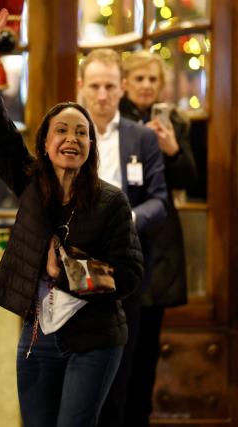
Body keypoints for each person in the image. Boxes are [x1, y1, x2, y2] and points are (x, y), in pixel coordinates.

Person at [0, 9, 144, 426]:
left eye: (81, 132)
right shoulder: (31, 186)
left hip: (95, 340)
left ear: (90, 147)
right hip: (37, 340)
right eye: (62, 130)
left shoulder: (110, 201)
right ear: (45, 142)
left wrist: (67, 270)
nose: (72, 138)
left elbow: (131, 274)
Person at [75, 48, 169, 427]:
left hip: (125, 268)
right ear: (81, 87)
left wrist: (126, 217)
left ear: (122, 87)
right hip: (74, 266)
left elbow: (160, 201)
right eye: (95, 86)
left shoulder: (141, 138)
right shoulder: (67, 129)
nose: (102, 95)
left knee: (121, 370)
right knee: (79, 369)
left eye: (110, 86)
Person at [119, 50, 197, 427]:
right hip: (121, 241)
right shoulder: (113, 121)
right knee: (118, 351)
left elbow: (189, 179)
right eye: (140, 79)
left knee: (148, 348)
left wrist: (172, 150)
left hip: (161, 246)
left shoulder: (172, 122)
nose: (147, 86)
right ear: (125, 83)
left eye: (153, 79)